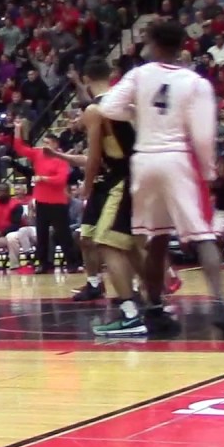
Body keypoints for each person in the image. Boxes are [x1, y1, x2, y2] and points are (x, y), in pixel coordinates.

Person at [96, 18, 224, 338]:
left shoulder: (138, 74)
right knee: (202, 235)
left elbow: (107, 107)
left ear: (156, 44)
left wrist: (137, 113)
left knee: (156, 238)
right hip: (176, 158)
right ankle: (220, 306)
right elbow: (204, 135)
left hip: (144, 159)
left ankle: (154, 311)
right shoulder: (195, 83)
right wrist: (207, 170)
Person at [47, 57, 145, 333]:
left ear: (87, 80)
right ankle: (154, 304)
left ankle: (130, 314)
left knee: (106, 243)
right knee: (134, 244)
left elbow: (93, 157)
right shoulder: (127, 103)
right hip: (143, 173)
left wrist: (87, 187)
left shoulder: (96, 109)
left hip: (119, 179)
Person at [12, 121, 77, 273]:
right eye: (44, 142)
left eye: (47, 143)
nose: (44, 145)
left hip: (57, 202)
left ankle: (72, 262)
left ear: (55, 144)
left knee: (63, 234)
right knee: (41, 234)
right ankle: (44, 263)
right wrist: (17, 129)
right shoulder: (38, 153)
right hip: (41, 201)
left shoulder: (61, 158)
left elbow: (61, 180)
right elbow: (19, 148)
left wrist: (43, 178)